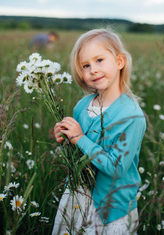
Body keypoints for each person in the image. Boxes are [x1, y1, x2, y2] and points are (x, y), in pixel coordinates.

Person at [52, 28, 146, 234]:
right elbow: (79, 153)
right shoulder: (82, 106)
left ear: (120, 62)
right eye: (85, 65)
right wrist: (65, 140)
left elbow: (116, 168)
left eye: (99, 60)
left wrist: (79, 137)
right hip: (77, 196)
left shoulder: (131, 116)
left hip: (111, 208)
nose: (92, 69)